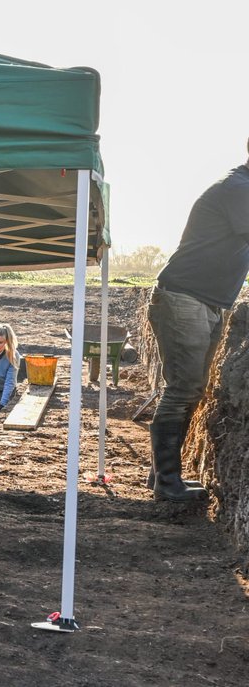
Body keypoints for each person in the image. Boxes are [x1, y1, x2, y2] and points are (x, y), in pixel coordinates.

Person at [146, 142, 249, 502]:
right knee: (184, 387)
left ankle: (160, 474)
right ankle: (167, 483)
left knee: (192, 387)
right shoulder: (239, 189)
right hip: (184, 298)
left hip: (207, 302)